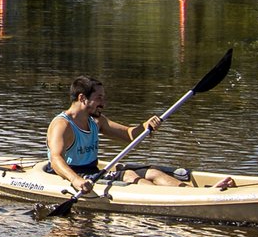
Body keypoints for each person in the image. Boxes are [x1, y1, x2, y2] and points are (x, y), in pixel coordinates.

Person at [45, 75, 204, 195]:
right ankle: (174, 198)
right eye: (99, 98)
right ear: (82, 98)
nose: (103, 103)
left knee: (153, 172)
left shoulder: (96, 121)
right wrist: (76, 180)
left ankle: (195, 193)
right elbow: (56, 159)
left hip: (92, 171)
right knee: (128, 175)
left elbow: (128, 134)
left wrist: (145, 126)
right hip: (74, 173)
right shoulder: (62, 125)